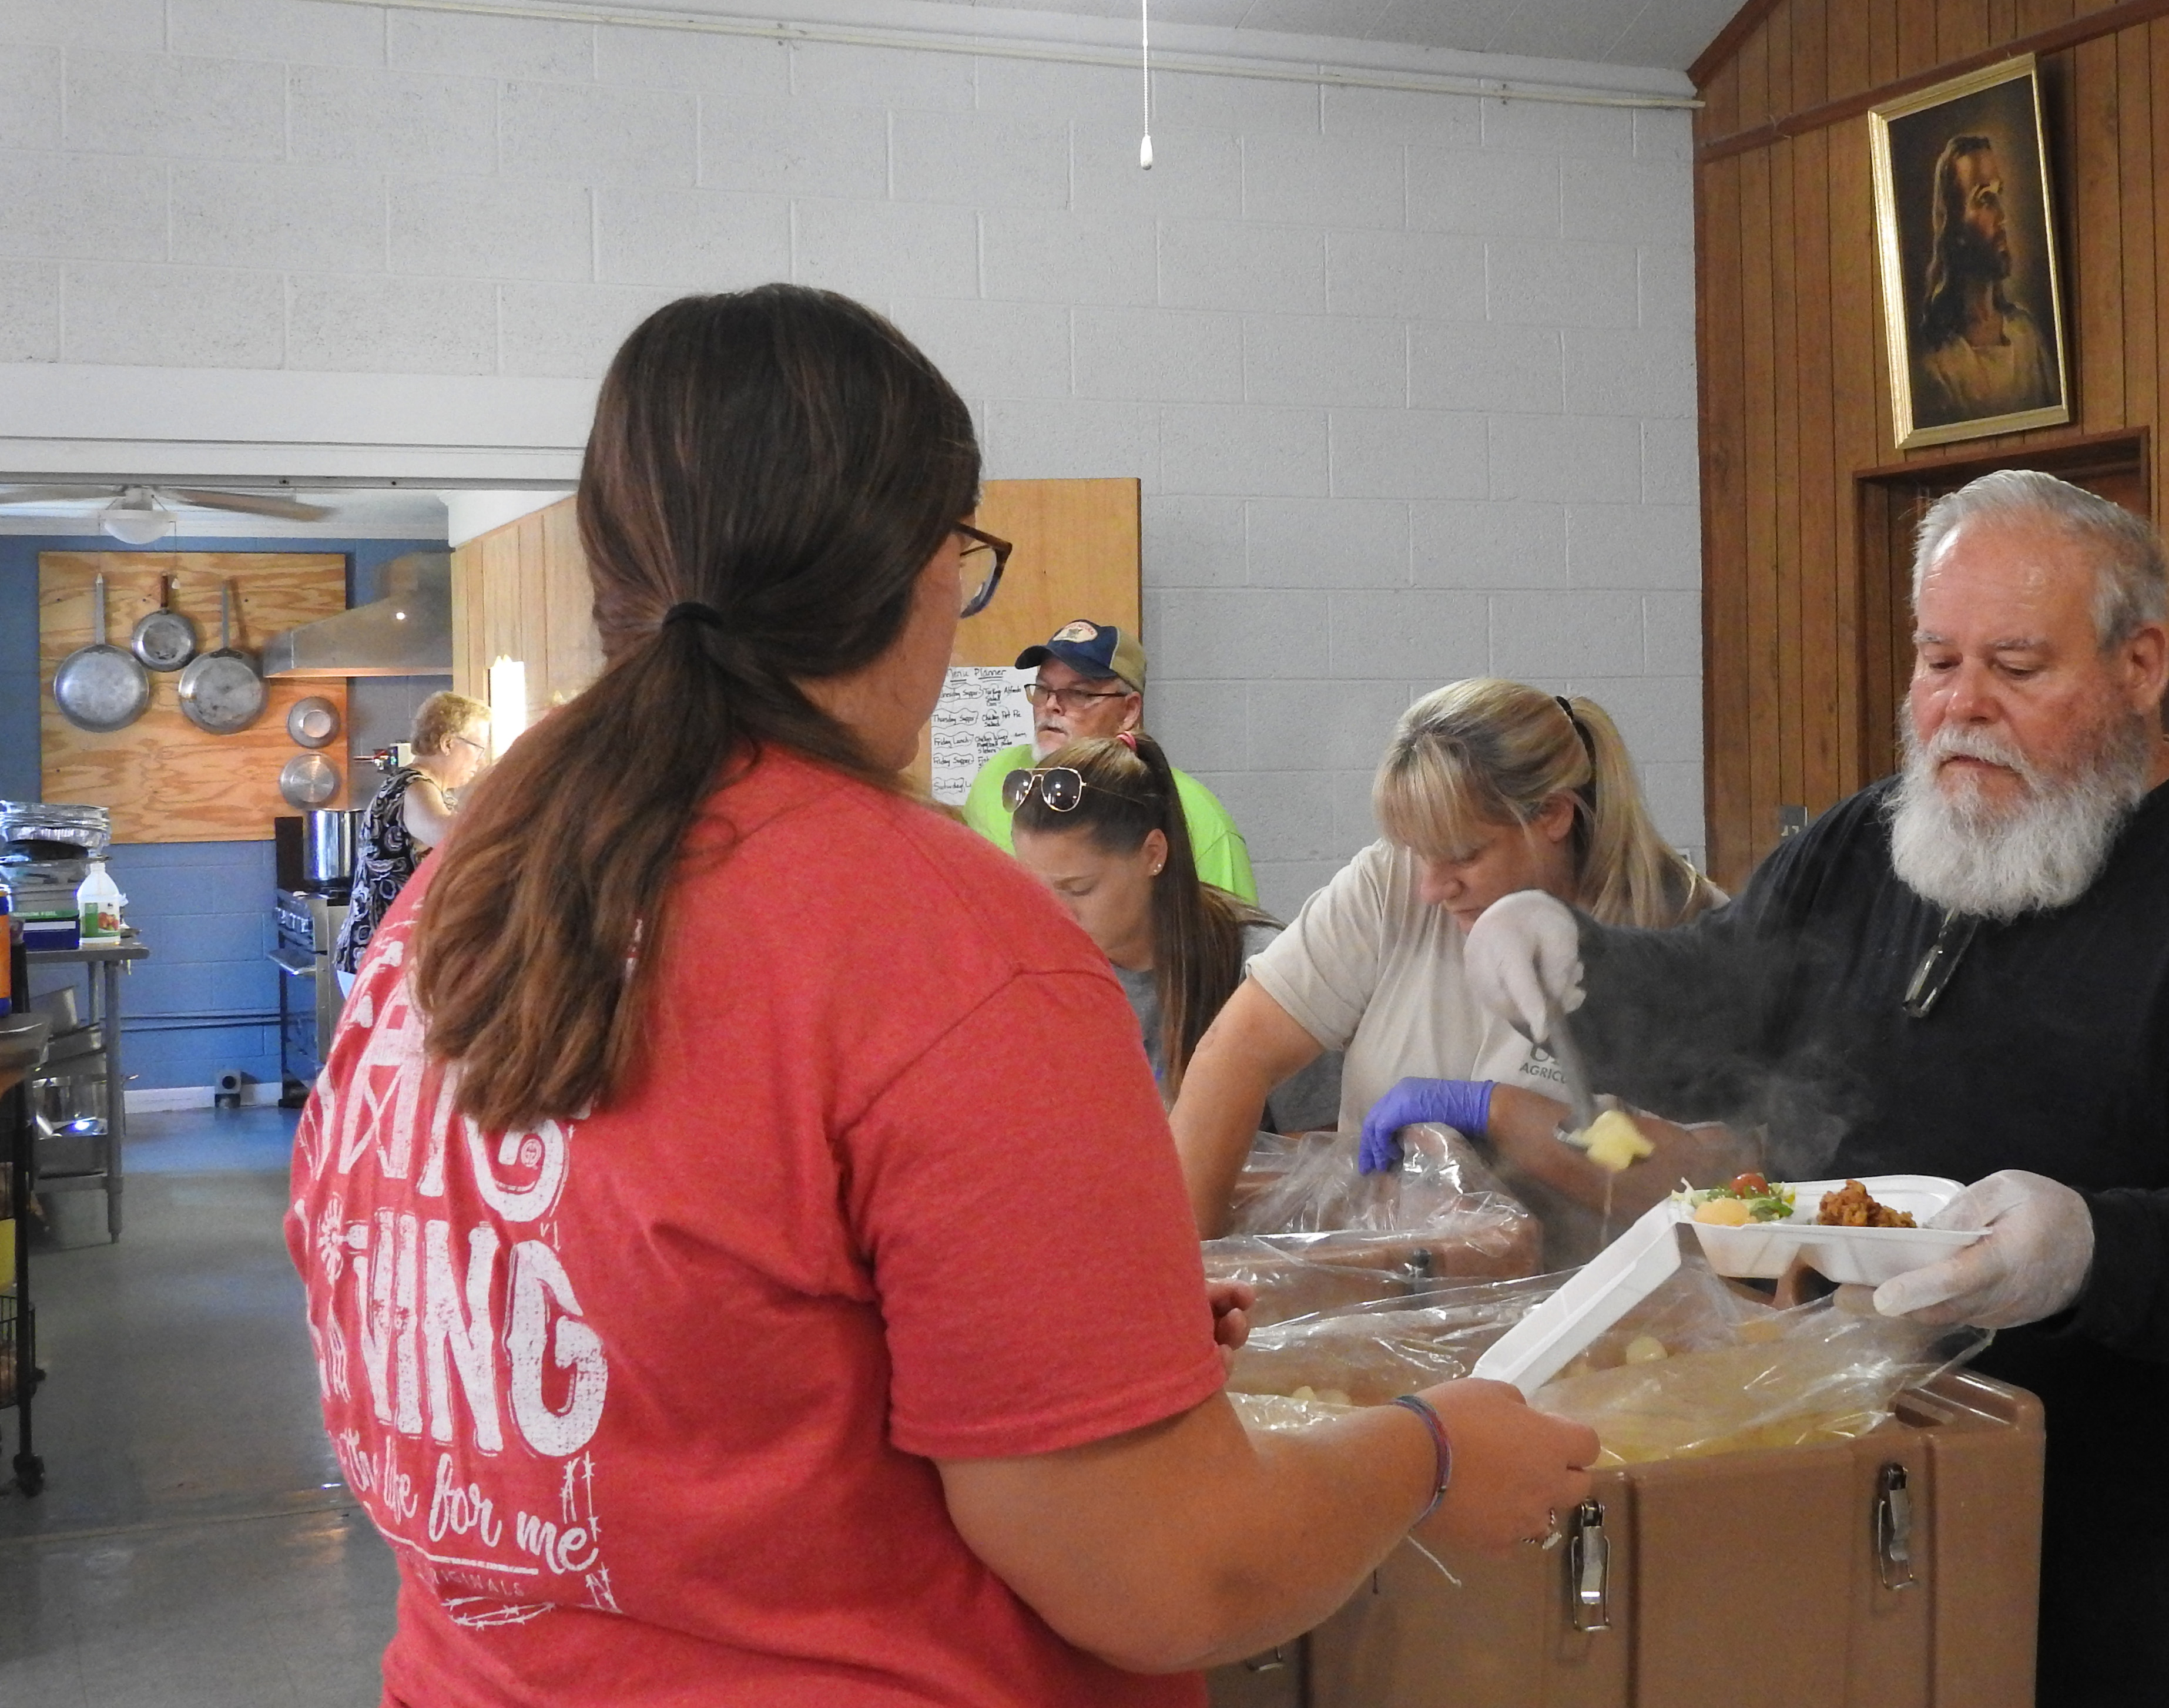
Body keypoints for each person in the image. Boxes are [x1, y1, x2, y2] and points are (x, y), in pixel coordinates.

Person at [283, 284, 1595, 1706]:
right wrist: (1434, 1449)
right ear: (918, 566)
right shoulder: (940, 940)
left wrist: (1084, 1336)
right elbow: (1176, 1571)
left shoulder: (465, 893)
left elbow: (653, 1333)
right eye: (962, 559)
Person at [1466, 469, 2169, 1708]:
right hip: (1907, 1522)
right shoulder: (1869, 844)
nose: (1959, 709)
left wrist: (2095, 1249)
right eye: (1936, 662)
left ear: (2140, 666)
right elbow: (1725, 1012)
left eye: (2016, 668)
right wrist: (1573, 963)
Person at [1169, 679, 1729, 1260]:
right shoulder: (1389, 888)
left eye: (1463, 855)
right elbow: (1234, 1055)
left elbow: (1714, 1187)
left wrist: (1494, 1112)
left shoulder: (1689, 937)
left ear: (1553, 816)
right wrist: (1185, 1281)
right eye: (1416, 851)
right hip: (1405, 1307)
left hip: (1607, 1318)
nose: (1432, 887)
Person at [1010, 730, 1339, 1132]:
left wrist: (1183, 1174)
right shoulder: (1040, 970)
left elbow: (1324, 1161)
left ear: (1153, 854)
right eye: (1034, 890)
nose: (1055, 915)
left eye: (1078, 888)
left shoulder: (1262, 972)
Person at [963, 620, 1257, 902]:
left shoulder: (1193, 813)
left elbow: (1230, 939)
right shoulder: (999, 777)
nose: (1051, 705)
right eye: (1042, 689)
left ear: (1129, 712)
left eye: (1079, 693)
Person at [333, 689, 488, 996]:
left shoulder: (419, 787)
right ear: (448, 743)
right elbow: (456, 839)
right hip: (381, 959)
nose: (480, 762)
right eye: (478, 749)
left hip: (379, 955)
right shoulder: (416, 788)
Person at [1915, 133, 2058, 424]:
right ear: (1954, 225)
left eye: (1999, 196)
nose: (2003, 217)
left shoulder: (2026, 336)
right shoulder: (1940, 365)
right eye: (1984, 200)